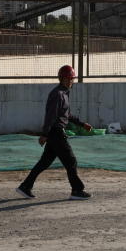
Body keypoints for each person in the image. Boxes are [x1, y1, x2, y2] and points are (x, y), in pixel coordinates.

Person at [16, 65, 93, 200]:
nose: (71, 81)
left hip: (54, 133)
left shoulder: (64, 93)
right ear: (61, 79)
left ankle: (25, 186)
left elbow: (67, 115)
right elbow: (50, 116)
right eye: (68, 79)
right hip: (56, 133)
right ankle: (77, 190)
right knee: (71, 161)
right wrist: (44, 134)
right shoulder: (57, 94)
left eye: (72, 79)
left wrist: (82, 124)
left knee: (44, 162)